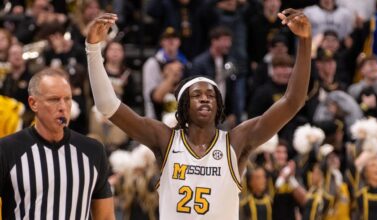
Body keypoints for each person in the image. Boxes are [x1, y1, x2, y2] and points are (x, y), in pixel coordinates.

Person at [86, 9, 311, 219]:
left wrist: (305, 41)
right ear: (183, 105)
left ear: (219, 105)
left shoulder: (236, 141)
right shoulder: (165, 139)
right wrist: (93, 49)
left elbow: (293, 102)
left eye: (211, 95)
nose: (205, 98)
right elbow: (108, 105)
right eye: (197, 95)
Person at [0, 68, 114, 219]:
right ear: (33, 103)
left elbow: (105, 217)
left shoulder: (93, 150)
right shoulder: (7, 149)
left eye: (67, 99)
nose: (62, 107)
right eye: (54, 99)